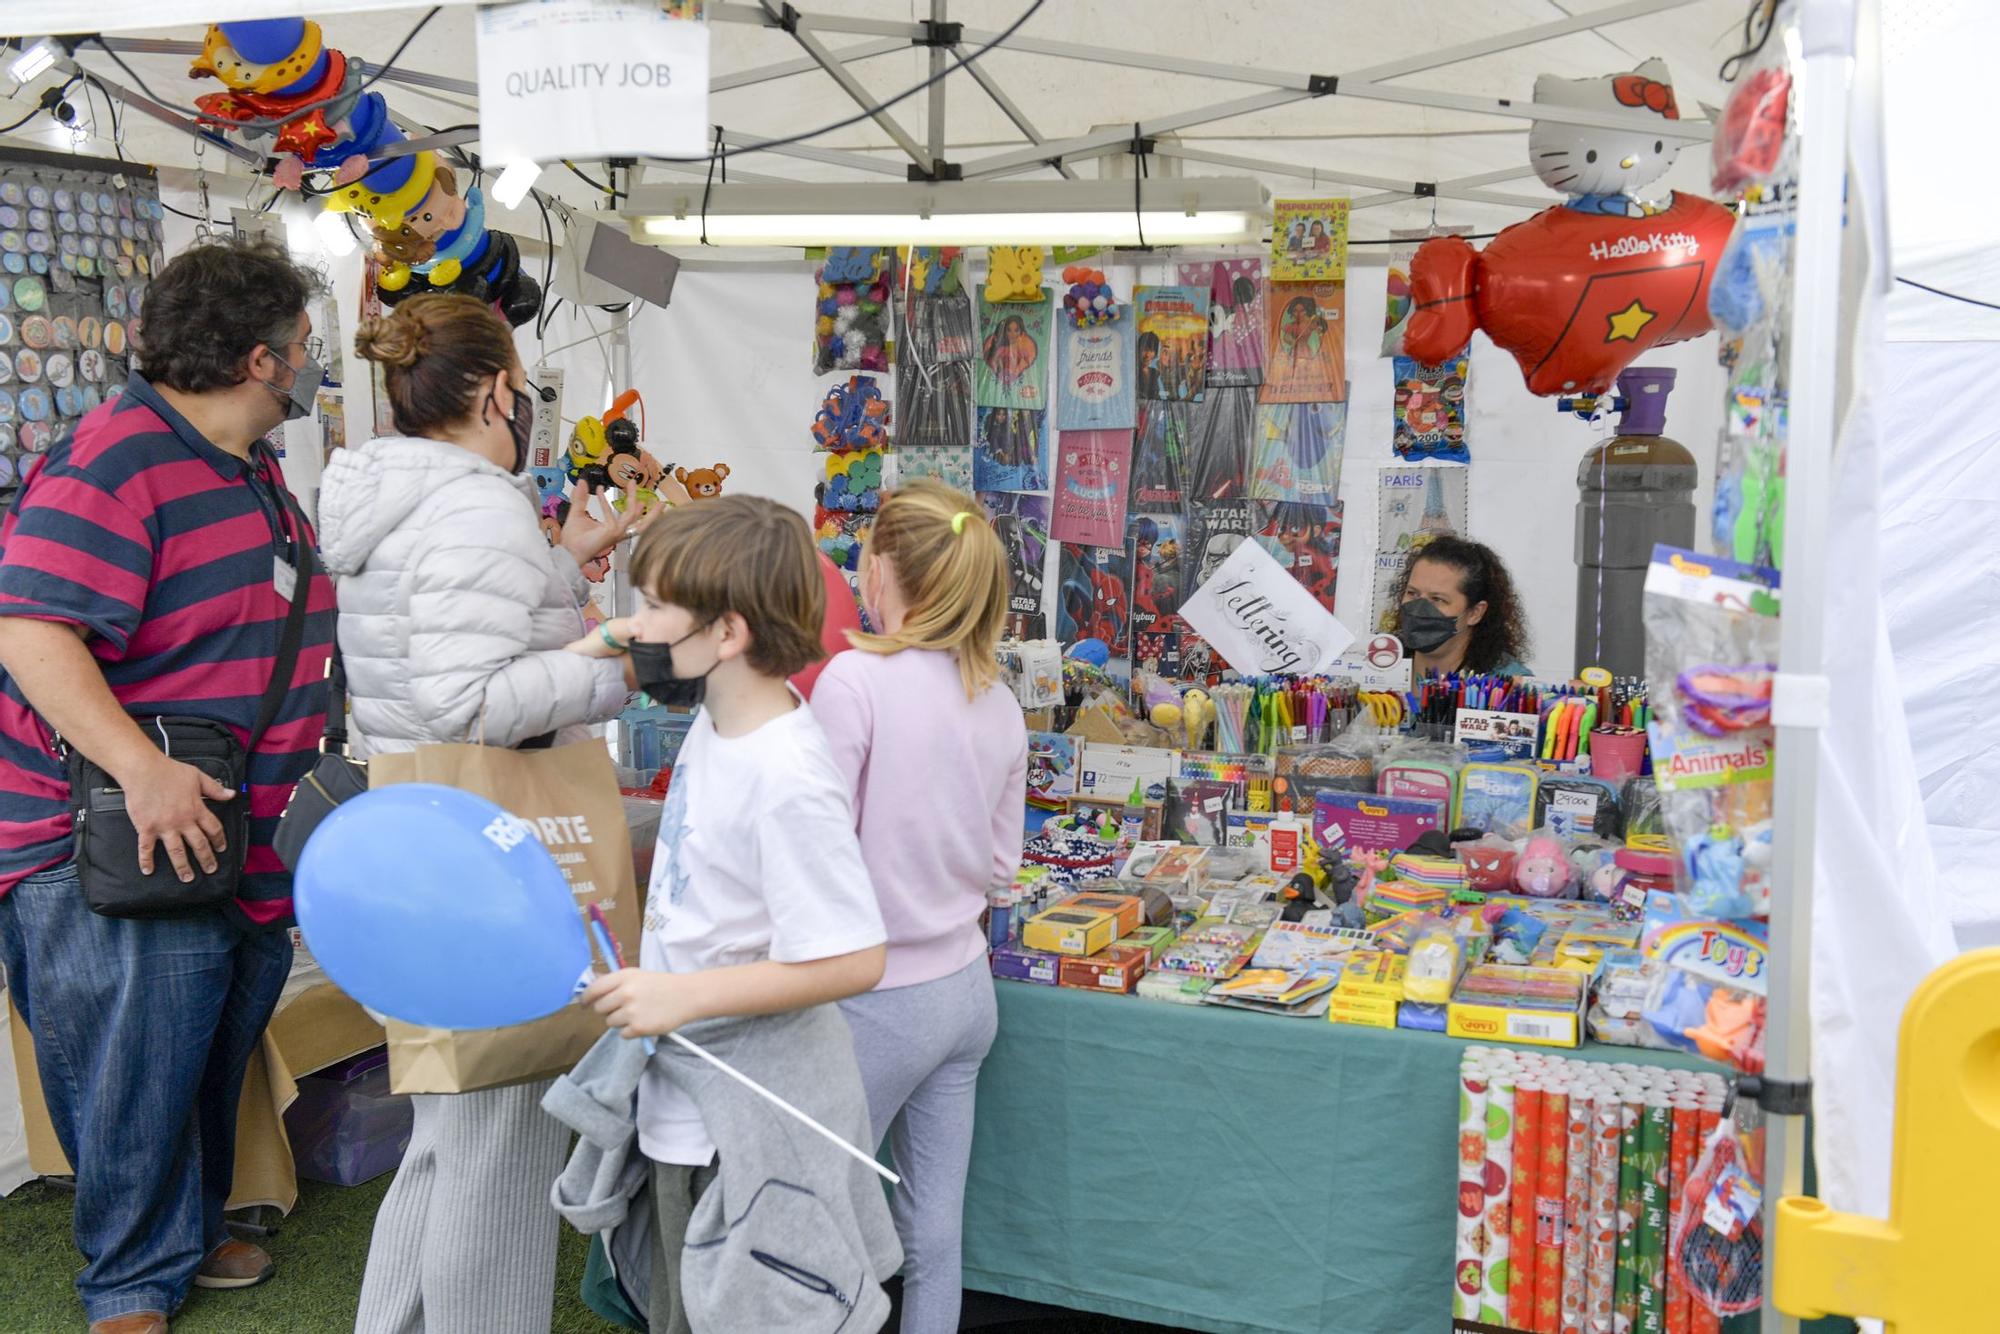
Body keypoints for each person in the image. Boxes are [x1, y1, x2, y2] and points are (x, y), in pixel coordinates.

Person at [0, 236, 335, 1334]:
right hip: (115, 828)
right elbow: (31, 629)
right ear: (261, 359)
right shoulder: (117, 458)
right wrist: (141, 772)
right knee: (131, 1066)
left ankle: (177, 1231)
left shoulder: (246, 462)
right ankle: (130, 1282)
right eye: (301, 345)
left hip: (225, 824)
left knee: (197, 1050)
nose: (310, 361)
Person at [320, 293, 647, 1334]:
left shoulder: (395, 493)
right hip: (483, 852)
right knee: (498, 1142)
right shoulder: (474, 504)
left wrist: (559, 558)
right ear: (497, 389)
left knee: (449, 1129)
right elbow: (470, 701)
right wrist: (606, 664)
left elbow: (441, 654)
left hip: (417, 834)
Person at [572, 496, 897, 1334]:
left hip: (738, 1127)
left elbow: (855, 959)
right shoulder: (726, 719)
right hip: (687, 1101)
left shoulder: (786, 773)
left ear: (727, 634)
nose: (635, 628)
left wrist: (678, 998)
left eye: (652, 609)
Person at [808, 482, 1028, 1334]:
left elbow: (816, 851)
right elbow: (1003, 869)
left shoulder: (856, 680)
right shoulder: (999, 701)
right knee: (934, 1230)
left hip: (875, 996)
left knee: (813, 1213)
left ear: (886, 567)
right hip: (965, 994)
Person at [1396, 534, 1532, 678]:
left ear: (1475, 613)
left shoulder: (1508, 685)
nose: (1418, 609)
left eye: (1437, 599)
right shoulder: (1380, 662)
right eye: (1412, 593)